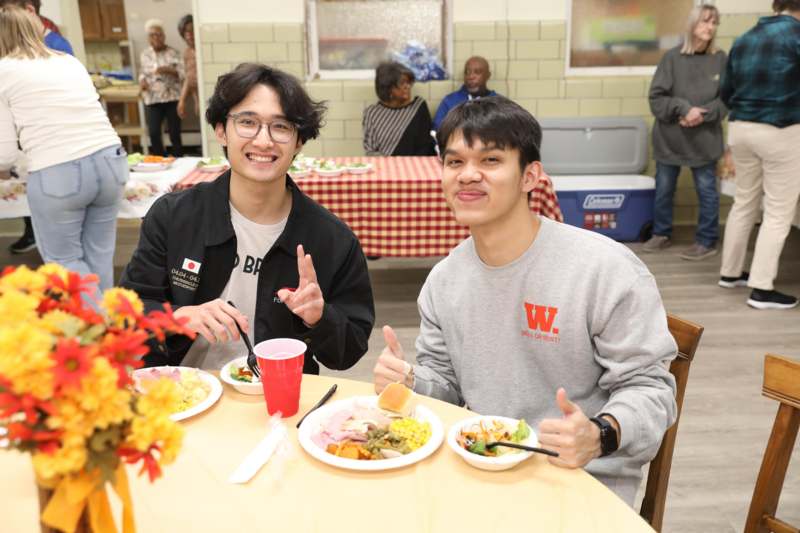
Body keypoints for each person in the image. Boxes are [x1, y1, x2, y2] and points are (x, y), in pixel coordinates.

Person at [372, 96, 678, 506]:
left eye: (491, 161)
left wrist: (600, 433)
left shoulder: (603, 268)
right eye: (454, 162)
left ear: (530, 176)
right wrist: (409, 381)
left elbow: (651, 389)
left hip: (579, 480)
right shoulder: (444, 281)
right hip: (482, 468)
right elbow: (444, 389)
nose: (468, 176)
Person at [120, 63, 375, 372]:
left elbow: (349, 352)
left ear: (299, 141)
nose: (263, 141)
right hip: (185, 389)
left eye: (281, 126)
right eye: (247, 122)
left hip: (280, 398)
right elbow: (127, 314)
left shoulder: (331, 239)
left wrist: (321, 318)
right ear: (220, 130)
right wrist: (179, 317)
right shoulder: (174, 217)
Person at [0, 5, 126, 291]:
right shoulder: (68, 61)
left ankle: (95, 325)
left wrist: (10, 168)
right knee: (99, 257)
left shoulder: (3, 70)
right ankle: (106, 331)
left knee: (63, 261)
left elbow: (4, 155)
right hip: (111, 162)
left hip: (59, 171)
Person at [718, 0, 800, 310]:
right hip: (781, 129)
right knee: (779, 211)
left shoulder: (745, 37)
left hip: (740, 128)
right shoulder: (796, 36)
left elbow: (725, 92)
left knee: (744, 201)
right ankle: (762, 289)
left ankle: (730, 273)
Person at [645, 4, 727, 260]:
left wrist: (701, 114)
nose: (709, 27)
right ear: (692, 25)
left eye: (713, 23)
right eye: (704, 22)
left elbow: (727, 99)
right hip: (670, 140)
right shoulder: (672, 58)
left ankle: (706, 240)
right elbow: (656, 99)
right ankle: (661, 233)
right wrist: (683, 109)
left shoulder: (721, 59)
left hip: (704, 141)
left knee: (707, 192)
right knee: (664, 189)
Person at [0, 0, 73, 255]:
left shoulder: (56, 48)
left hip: (54, 153)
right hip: (91, 155)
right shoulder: (64, 60)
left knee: (62, 255)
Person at [362, 61, 436, 156]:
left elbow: (426, 147)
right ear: (388, 88)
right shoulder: (372, 113)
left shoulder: (418, 107)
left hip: (416, 165)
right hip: (385, 166)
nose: (408, 86)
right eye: (402, 83)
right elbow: (370, 150)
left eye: (409, 82)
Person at [139, 19, 184, 157]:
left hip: (172, 98)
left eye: (159, 34)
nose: (156, 37)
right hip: (153, 99)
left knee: (174, 133)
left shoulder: (174, 53)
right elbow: (142, 73)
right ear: (148, 38)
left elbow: (183, 74)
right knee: (153, 132)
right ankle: (159, 159)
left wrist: (169, 70)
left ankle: (178, 159)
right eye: (152, 35)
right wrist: (142, 81)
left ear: (164, 36)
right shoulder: (145, 54)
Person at [432, 56, 497, 130]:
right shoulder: (449, 102)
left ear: (488, 75)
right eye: (467, 72)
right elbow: (437, 130)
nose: (471, 76)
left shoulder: (498, 103)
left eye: (477, 72)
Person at [176, 14, 198, 120]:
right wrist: (182, 100)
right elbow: (188, 78)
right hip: (197, 98)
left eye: (192, 30)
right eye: (186, 32)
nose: (189, 35)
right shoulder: (187, 53)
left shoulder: (203, 50)